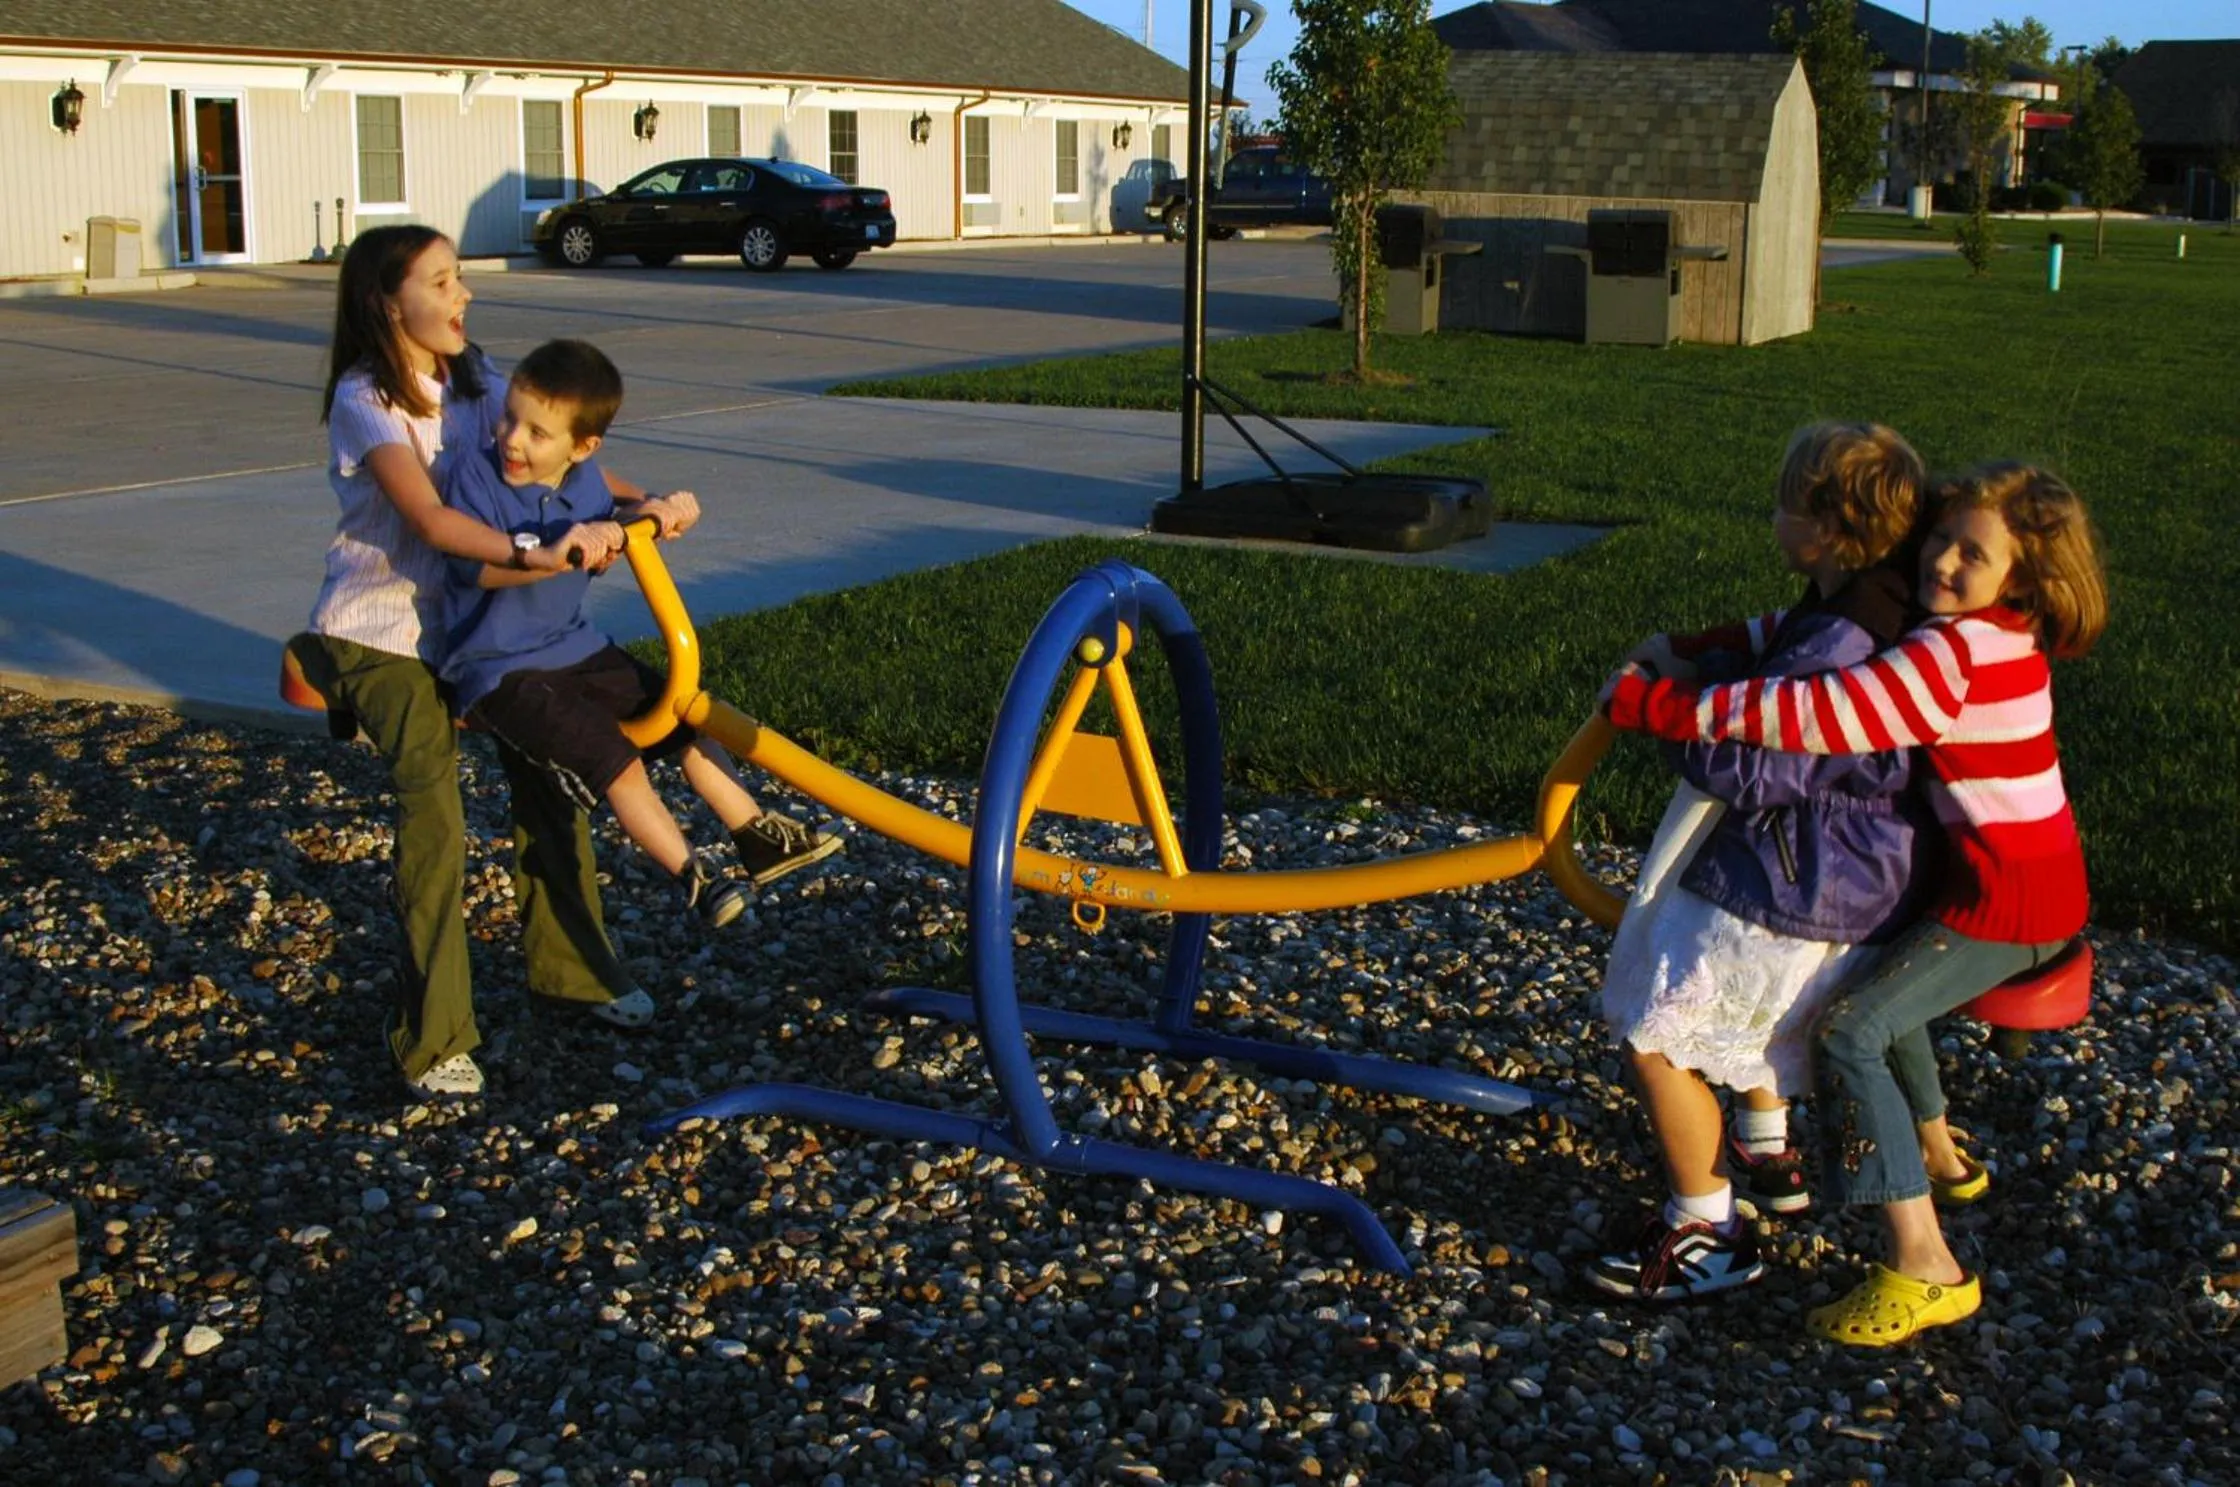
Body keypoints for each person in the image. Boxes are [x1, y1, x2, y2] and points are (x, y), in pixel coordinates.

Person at [1601, 462, 2108, 1344]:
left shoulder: (1947, 654)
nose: (1944, 561)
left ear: (2022, 577)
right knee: (1881, 986)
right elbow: (1799, 627)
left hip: (2007, 906)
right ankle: (1943, 1157)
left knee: (1852, 1029)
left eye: (1972, 553)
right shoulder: (1988, 627)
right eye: (1940, 539)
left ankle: (1925, 1261)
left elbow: (1813, 715)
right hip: (2006, 880)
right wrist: (1706, 637)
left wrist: (1662, 705)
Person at [290, 225, 677, 1100]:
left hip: (479, 624)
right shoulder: (367, 399)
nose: (462, 294)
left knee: (553, 774)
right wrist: (540, 554)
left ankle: (573, 976)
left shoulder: (476, 376)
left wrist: (636, 501)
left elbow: (562, 446)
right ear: (391, 301)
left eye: (459, 277)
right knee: (435, 813)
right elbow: (430, 521)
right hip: (384, 633)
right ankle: (433, 1040)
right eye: (441, 281)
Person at [1585, 422, 1941, 1303]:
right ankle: (1763, 1142)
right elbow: (1776, 642)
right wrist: (1703, 651)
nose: (1772, 515)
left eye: (1786, 503)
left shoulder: (1841, 645)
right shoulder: (1863, 602)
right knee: (1725, 1016)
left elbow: (1761, 759)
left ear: (1827, 525)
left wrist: (1654, 707)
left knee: (1655, 1033)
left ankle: (1706, 1226)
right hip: (1829, 868)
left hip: (1797, 879)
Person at [438, 338, 841, 936]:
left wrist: (659, 509)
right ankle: (696, 877)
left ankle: (756, 832)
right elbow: (472, 566)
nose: (513, 440)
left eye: (537, 434)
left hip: (572, 645)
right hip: (499, 667)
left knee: (684, 716)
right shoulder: (474, 475)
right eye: (510, 419)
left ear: (582, 447)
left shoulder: (588, 482)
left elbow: (620, 510)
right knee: (618, 763)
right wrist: (546, 555)